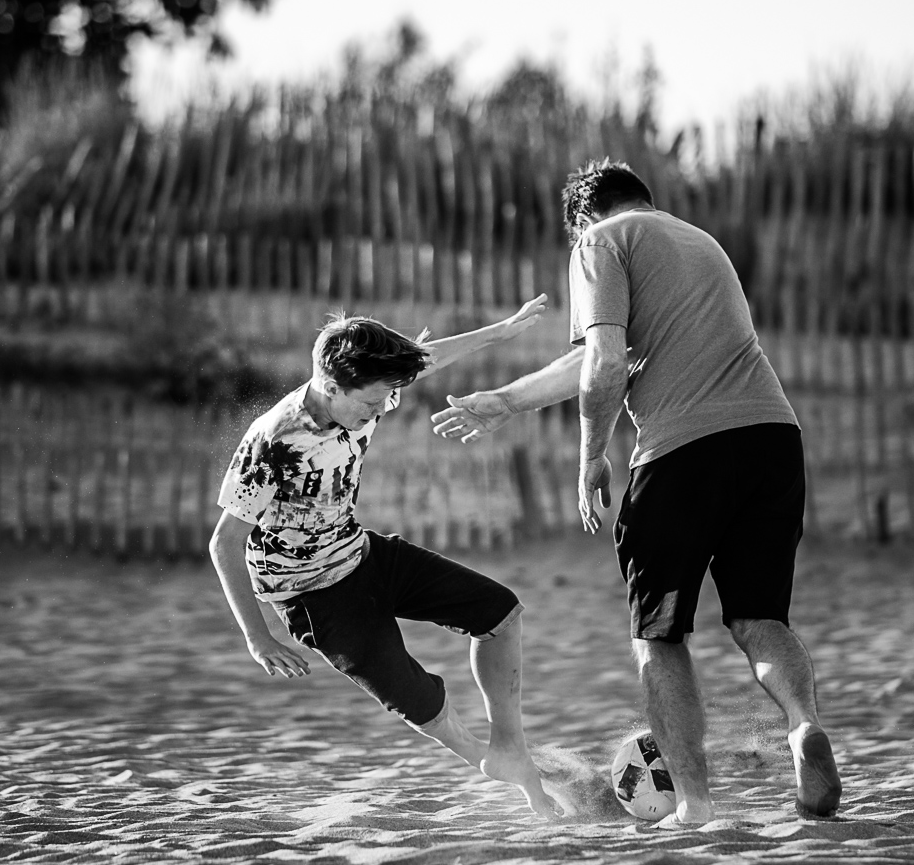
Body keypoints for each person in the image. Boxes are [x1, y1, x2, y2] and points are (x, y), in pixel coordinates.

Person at [430, 159, 841, 825]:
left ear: (583, 219)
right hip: (773, 440)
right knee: (760, 620)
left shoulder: (598, 242)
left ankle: (696, 807)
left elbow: (606, 362)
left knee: (659, 637)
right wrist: (505, 400)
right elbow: (605, 353)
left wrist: (592, 456)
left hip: (682, 451)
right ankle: (802, 727)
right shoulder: (696, 242)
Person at [209, 296, 563, 821]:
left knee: (501, 612)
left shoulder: (365, 386)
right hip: (310, 595)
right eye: (370, 404)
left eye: (384, 399)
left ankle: (509, 745)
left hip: (364, 553)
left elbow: (426, 356)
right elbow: (223, 543)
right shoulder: (275, 440)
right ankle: (507, 774)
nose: (380, 411)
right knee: (420, 700)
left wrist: (501, 332)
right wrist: (258, 637)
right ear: (331, 387)